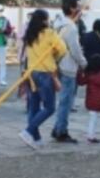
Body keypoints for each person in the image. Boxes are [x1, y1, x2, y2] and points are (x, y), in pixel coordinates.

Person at [18, 9, 66, 149]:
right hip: (45, 73)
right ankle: (28, 131)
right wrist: (54, 57)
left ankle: (36, 139)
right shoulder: (50, 33)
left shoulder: (30, 34)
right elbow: (62, 49)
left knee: (34, 106)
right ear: (45, 20)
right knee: (49, 108)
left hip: (31, 73)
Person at [51, 0, 87, 144]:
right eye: (79, 6)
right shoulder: (71, 27)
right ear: (72, 8)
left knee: (63, 101)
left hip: (58, 65)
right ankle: (61, 131)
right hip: (67, 67)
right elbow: (75, 49)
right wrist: (84, 63)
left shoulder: (57, 23)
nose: (81, 9)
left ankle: (57, 127)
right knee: (66, 102)